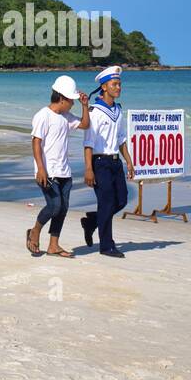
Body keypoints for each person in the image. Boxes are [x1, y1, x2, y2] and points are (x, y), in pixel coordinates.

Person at [26, 75, 90, 259]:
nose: (73, 104)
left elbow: (85, 125)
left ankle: (53, 245)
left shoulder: (67, 117)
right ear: (62, 98)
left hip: (64, 171)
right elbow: (36, 142)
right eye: (71, 100)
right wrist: (40, 168)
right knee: (54, 206)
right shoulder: (42, 116)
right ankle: (35, 231)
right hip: (47, 171)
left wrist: (85, 105)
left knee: (63, 208)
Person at [80, 66, 135, 258]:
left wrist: (129, 161)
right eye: (114, 84)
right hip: (100, 162)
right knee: (107, 202)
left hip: (115, 162)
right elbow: (88, 143)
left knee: (121, 200)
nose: (118, 87)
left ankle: (93, 221)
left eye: (119, 84)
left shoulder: (118, 111)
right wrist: (88, 169)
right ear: (104, 87)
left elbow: (121, 139)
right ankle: (106, 246)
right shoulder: (95, 111)